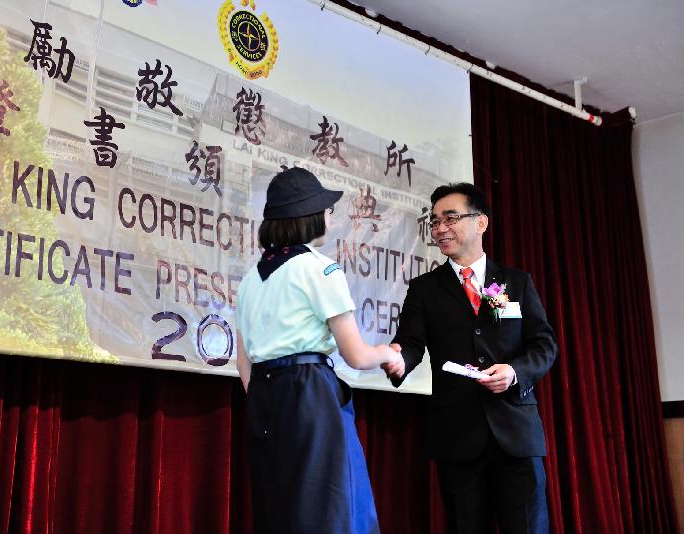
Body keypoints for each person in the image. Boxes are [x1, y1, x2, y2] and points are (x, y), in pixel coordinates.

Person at [235, 167, 404, 534]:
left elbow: (243, 362)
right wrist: (389, 354)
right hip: (309, 392)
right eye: (326, 210)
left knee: (280, 509)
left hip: (265, 400)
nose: (331, 216)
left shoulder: (250, 280)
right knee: (332, 510)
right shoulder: (319, 268)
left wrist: (271, 396)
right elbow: (356, 355)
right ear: (309, 217)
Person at [382, 182, 557, 534]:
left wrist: (514, 371)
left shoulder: (515, 282)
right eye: (434, 222)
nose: (440, 228)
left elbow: (543, 345)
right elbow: (411, 343)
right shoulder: (425, 290)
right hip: (457, 435)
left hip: (515, 432)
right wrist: (398, 359)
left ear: (481, 223)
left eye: (450, 218)